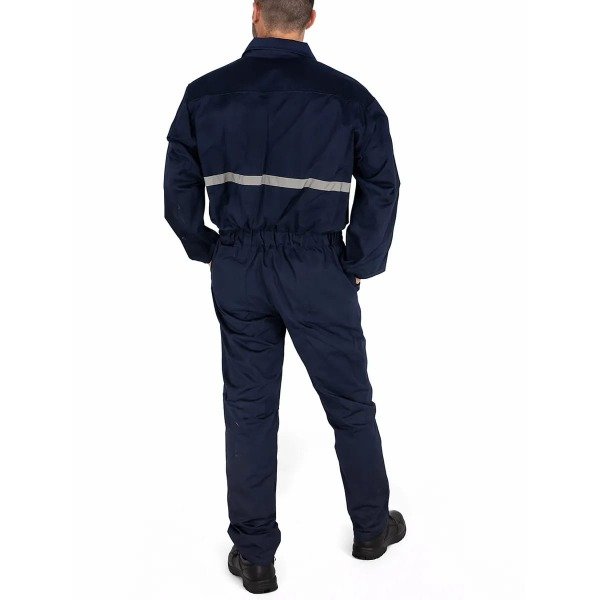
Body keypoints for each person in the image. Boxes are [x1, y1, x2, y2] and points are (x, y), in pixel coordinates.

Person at [164, 0, 405, 593]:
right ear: (311, 18)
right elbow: (382, 183)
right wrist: (359, 262)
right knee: (349, 403)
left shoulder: (205, 94)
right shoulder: (349, 98)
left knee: (249, 410)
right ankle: (371, 529)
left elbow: (177, 188)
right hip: (317, 267)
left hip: (240, 263)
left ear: (255, 12)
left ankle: (255, 557)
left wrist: (207, 246)